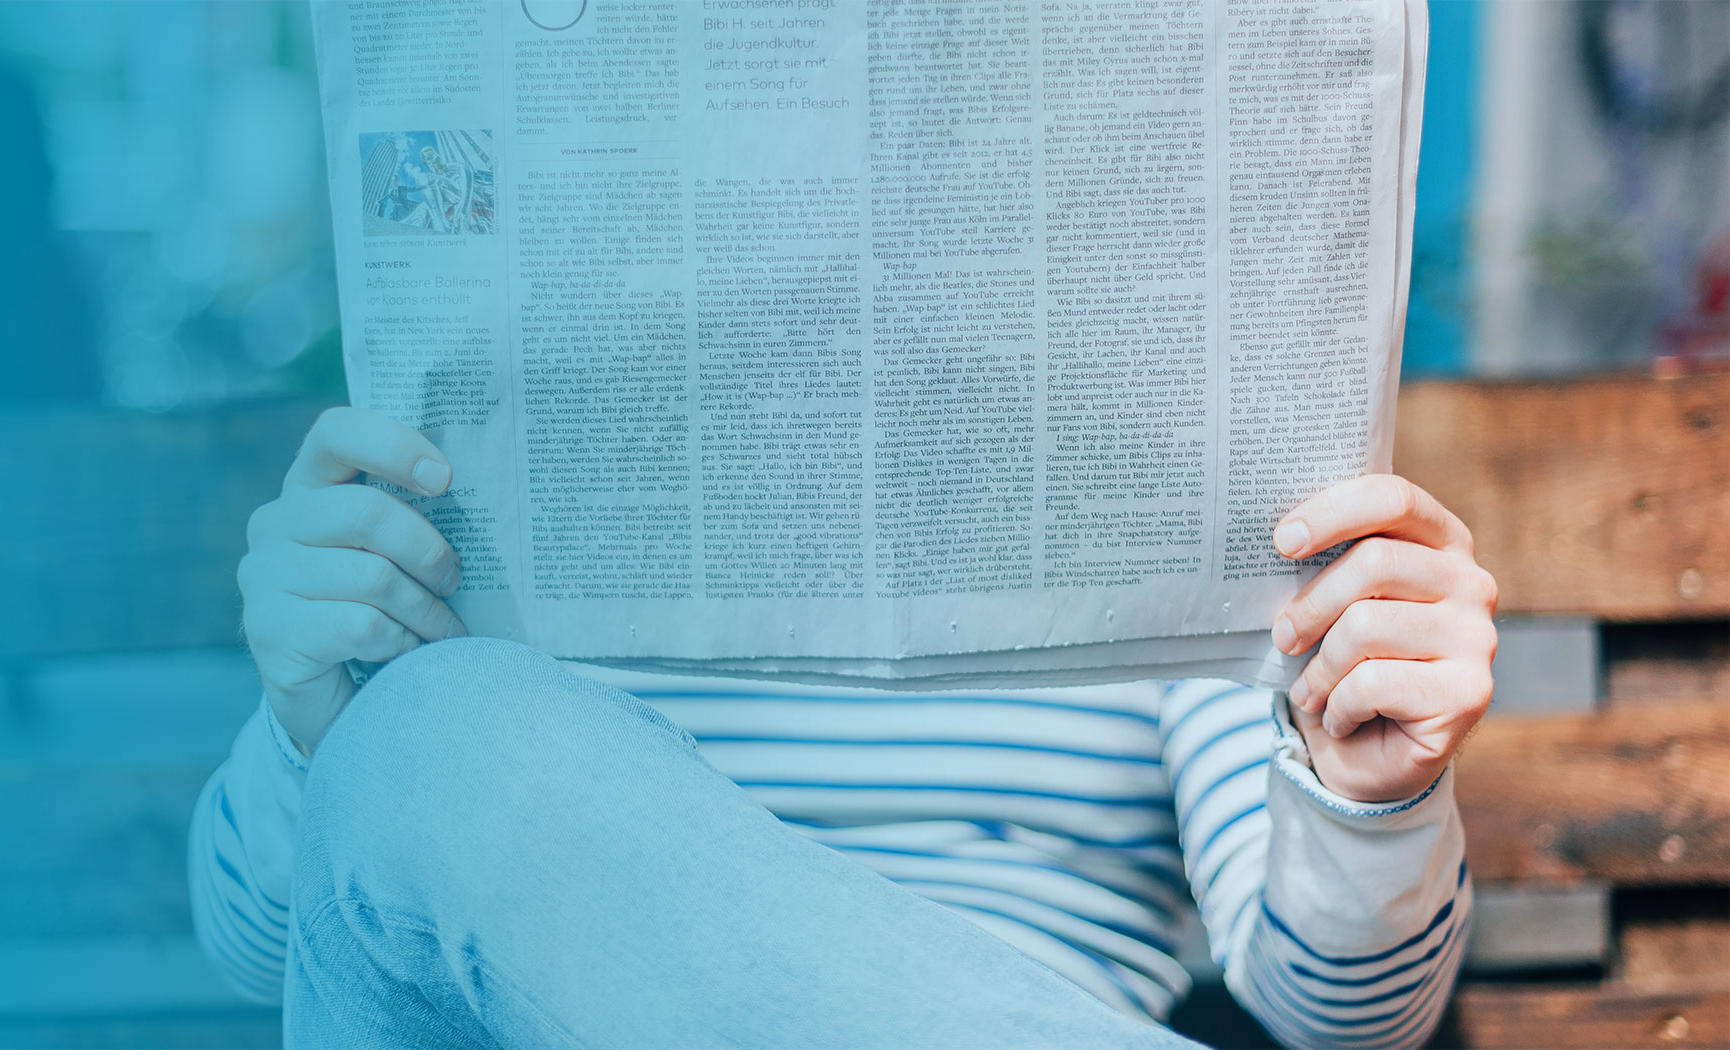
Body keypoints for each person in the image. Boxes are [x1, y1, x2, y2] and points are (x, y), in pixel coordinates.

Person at [191, 408, 1496, 1048]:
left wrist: (1369, 795)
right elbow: (272, 948)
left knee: (436, 732)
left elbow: (1344, 1019)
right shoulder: (476, 455)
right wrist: (323, 714)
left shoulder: (1172, 459)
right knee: (437, 732)